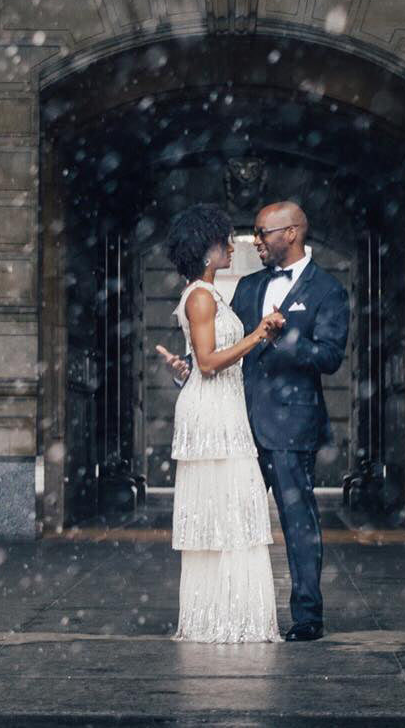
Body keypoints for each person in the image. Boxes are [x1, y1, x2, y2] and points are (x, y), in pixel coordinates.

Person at [160, 200, 349, 642]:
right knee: (230, 524)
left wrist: (284, 341)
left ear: (292, 233)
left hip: (290, 427)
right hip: (235, 427)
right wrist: (190, 368)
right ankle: (228, 613)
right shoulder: (245, 286)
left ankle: (306, 617)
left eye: (264, 233)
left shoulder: (328, 290)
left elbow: (331, 357)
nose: (256, 241)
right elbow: (221, 347)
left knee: (298, 524)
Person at [161, 203, 286, 643]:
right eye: (222, 241)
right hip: (213, 412)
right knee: (226, 511)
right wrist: (258, 335)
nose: (231, 246)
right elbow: (211, 363)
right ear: (204, 248)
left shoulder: (209, 294)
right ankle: (220, 619)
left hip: (224, 408)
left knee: (232, 512)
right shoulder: (199, 295)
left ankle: (233, 617)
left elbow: (200, 360)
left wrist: (187, 366)